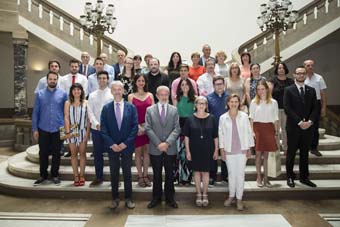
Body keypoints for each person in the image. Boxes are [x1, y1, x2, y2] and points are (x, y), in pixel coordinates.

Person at [101, 81, 138, 209]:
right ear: (111, 91)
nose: (117, 91)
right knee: (114, 173)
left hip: (126, 147)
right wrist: (112, 144)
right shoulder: (106, 108)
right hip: (112, 147)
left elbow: (134, 127)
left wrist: (125, 143)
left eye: (119, 89)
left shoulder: (131, 107)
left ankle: (129, 198)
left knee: (127, 173)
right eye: (115, 89)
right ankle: (115, 198)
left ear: (123, 91)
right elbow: (103, 129)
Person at [145, 86, 181, 209]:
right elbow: (148, 128)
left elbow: (177, 128)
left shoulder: (174, 110)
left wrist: (167, 143)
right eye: (161, 94)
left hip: (170, 148)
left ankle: (170, 197)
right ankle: (156, 197)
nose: (164, 97)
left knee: (170, 174)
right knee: (157, 174)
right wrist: (158, 144)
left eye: (166, 94)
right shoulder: (149, 110)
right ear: (157, 95)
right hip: (156, 148)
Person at [284, 66, 318, 188]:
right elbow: (287, 108)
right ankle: (289, 177)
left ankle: (304, 177)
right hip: (293, 127)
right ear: (294, 75)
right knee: (291, 153)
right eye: (298, 73)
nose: (301, 75)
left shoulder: (311, 90)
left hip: (308, 128)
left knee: (305, 154)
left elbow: (315, 108)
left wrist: (310, 122)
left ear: (305, 75)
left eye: (303, 73)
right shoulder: (289, 90)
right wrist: (299, 122)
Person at [219, 94, 254, 211]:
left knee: (240, 175)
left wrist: (249, 148)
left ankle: (239, 198)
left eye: (236, 102)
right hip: (229, 150)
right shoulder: (223, 118)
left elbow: (249, 132)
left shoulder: (244, 116)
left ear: (239, 103)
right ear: (228, 103)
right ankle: (231, 196)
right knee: (231, 175)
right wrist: (222, 150)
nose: (233, 104)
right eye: (231, 102)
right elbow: (221, 135)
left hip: (242, 150)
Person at [32, 71, 67, 186]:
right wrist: (35, 129)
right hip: (43, 128)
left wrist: (68, 130)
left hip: (59, 128)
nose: (52, 81)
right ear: (47, 80)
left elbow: (66, 113)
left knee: (57, 153)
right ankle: (43, 175)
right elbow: (35, 112)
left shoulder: (63, 94)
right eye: (50, 79)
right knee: (43, 153)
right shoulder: (39, 94)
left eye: (54, 79)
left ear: (57, 80)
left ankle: (55, 175)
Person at [183, 96, 218, 207]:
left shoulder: (212, 118)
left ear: (206, 106)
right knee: (197, 172)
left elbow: (215, 136)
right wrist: (188, 151)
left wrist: (216, 150)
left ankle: (205, 194)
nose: (201, 105)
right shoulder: (189, 119)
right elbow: (186, 137)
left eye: (203, 103)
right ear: (195, 105)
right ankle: (198, 193)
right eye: (199, 103)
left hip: (208, 148)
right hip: (194, 149)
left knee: (206, 172)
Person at [249, 80, 279, 187]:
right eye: (258, 89)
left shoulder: (273, 102)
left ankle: (266, 178)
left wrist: (276, 133)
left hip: (269, 128)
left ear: (267, 89)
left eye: (262, 89)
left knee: (266, 155)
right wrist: (252, 131)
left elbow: (276, 119)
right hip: (257, 128)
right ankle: (258, 177)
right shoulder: (253, 102)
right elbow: (251, 118)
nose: (260, 91)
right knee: (258, 154)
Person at [128, 74, 154, 188]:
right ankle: (140, 176)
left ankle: (145, 175)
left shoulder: (150, 95)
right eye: (139, 80)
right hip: (136, 128)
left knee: (147, 152)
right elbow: (129, 113)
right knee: (138, 152)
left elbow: (153, 112)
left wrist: (147, 126)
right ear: (135, 82)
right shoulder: (131, 96)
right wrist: (137, 127)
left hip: (148, 127)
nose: (141, 83)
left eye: (143, 80)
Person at [87, 71, 113, 187]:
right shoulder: (92, 95)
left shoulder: (112, 94)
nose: (102, 80)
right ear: (97, 80)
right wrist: (96, 123)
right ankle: (99, 177)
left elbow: (113, 112)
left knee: (113, 154)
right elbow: (90, 112)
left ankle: (115, 178)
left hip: (110, 130)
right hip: (96, 129)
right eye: (100, 78)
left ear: (107, 80)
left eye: (104, 78)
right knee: (97, 154)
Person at [64, 83, 90, 187]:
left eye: (78, 90)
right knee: (73, 154)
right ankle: (75, 176)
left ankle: (82, 175)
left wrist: (87, 133)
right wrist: (67, 132)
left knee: (82, 154)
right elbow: (66, 117)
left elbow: (88, 120)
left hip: (83, 129)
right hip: (71, 130)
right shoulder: (67, 103)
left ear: (81, 91)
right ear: (71, 92)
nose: (76, 91)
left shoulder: (86, 103)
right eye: (74, 90)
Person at [206, 76, 229, 186]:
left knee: (225, 153)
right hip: (212, 130)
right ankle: (212, 176)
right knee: (213, 154)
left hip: (226, 130)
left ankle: (225, 176)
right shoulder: (208, 98)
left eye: (221, 84)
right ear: (213, 85)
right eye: (217, 84)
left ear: (224, 84)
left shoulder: (229, 97)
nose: (219, 86)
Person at [173, 78, 196, 186]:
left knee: (190, 154)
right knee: (181, 154)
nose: (185, 86)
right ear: (180, 87)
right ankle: (180, 178)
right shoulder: (176, 98)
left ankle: (189, 178)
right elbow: (175, 114)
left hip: (192, 127)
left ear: (190, 86)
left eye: (187, 84)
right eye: (182, 85)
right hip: (180, 128)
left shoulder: (195, 98)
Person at [304, 59, 327, 157]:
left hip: (316, 104)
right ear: (304, 66)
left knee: (314, 127)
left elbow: (323, 94)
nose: (310, 67)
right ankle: (303, 147)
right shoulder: (301, 77)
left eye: (311, 65)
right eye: (308, 65)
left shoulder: (319, 78)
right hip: (303, 104)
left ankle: (314, 148)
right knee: (303, 126)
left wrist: (323, 107)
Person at [269, 62, 294, 153]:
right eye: (279, 68)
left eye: (283, 68)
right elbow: (269, 95)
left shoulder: (291, 81)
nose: (281, 69)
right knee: (275, 129)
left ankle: (286, 148)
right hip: (276, 109)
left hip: (287, 109)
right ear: (276, 70)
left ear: (285, 69)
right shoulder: (273, 81)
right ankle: (276, 148)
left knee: (285, 129)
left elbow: (293, 95)